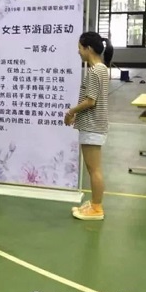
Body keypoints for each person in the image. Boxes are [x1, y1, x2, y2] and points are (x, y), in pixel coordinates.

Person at [65, 31, 109, 221]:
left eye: (80, 48)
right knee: (93, 169)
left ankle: (97, 208)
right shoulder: (102, 69)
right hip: (94, 123)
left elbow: (91, 101)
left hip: (92, 126)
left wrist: (71, 111)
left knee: (94, 169)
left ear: (88, 48)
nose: (78, 52)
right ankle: (94, 203)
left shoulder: (94, 71)